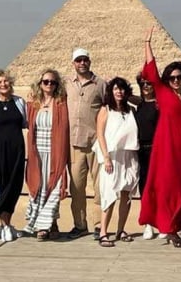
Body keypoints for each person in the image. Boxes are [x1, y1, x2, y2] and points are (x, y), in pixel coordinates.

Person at [137, 26, 181, 247]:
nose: (176, 80)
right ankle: (169, 228)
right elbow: (151, 70)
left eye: (179, 77)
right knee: (168, 187)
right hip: (167, 148)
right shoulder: (162, 92)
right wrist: (147, 44)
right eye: (172, 78)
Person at [24, 69, 71, 241]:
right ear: (40, 84)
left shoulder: (62, 103)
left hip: (55, 153)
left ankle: (43, 227)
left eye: (53, 82)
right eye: (46, 82)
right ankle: (51, 224)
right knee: (40, 188)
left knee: (54, 189)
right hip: (37, 155)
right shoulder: (33, 104)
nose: (49, 85)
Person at [65, 48, 106, 240]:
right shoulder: (66, 84)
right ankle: (80, 225)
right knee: (76, 189)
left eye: (85, 60)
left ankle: (99, 225)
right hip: (74, 145)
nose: (82, 63)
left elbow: (110, 107)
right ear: (73, 63)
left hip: (95, 144)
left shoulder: (101, 84)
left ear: (89, 61)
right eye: (78, 60)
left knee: (99, 188)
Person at [94, 77, 140, 248]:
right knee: (109, 194)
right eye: (115, 89)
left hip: (129, 155)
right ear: (110, 91)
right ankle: (103, 232)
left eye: (122, 89)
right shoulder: (105, 110)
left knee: (126, 194)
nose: (119, 92)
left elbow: (146, 100)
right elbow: (100, 134)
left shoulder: (131, 109)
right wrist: (106, 157)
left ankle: (120, 230)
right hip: (112, 156)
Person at [0, 69, 27, 243]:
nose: (3, 84)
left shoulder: (20, 102)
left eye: (6, 81)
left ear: (11, 83)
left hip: (17, 151)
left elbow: (27, 122)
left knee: (14, 186)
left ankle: (6, 224)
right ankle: (5, 226)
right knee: (0, 187)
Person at [134, 73, 159, 240]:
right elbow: (121, 94)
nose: (146, 86)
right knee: (144, 187)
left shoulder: (160, 105)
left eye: (149, 83)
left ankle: (161, 222)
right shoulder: (138, 104)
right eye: (143, 83)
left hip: (157, 150)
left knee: (158, 186)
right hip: (141, 151)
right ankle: (148, 223)